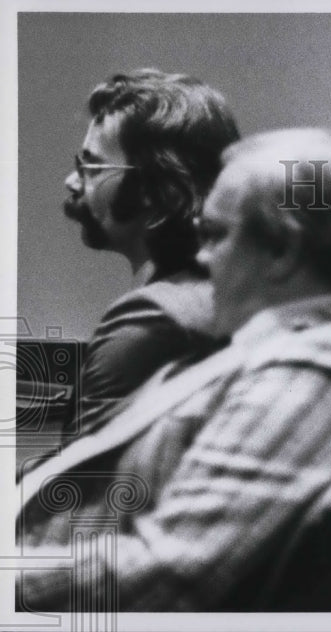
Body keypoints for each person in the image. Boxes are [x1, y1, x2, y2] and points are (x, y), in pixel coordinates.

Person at [17, 128, 331, 610]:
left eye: (214, 235)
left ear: (282, 251)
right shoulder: (318, 350)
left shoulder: (329, 369)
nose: (203, 259)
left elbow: (171, 569)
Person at [55, 69, 239, 448]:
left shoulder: (148, 324)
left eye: (92, 167)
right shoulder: (224, 296)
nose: (72, 182)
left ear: (163, 193)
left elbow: (79, 495)